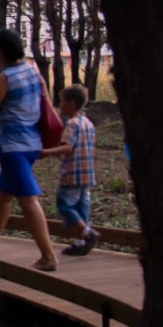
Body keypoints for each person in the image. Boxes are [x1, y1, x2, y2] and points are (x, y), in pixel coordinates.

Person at [0, 29, 59, 271]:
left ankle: (49, 256)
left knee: (28, 200)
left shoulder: (5, 78)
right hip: (33, 142)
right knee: (3, 198)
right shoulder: (33, 71)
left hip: (13, 147)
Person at [43, 84, 99, 256]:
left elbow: (67, 148)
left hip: (72, 173)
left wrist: (44, 152)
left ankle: (87, 234)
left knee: (65, 205)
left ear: (72, 104)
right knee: (82, 208)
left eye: (62, 102)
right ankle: (80, 242)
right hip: (87, 173)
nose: (60, 106)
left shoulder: (72, 124)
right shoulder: (88, 123)